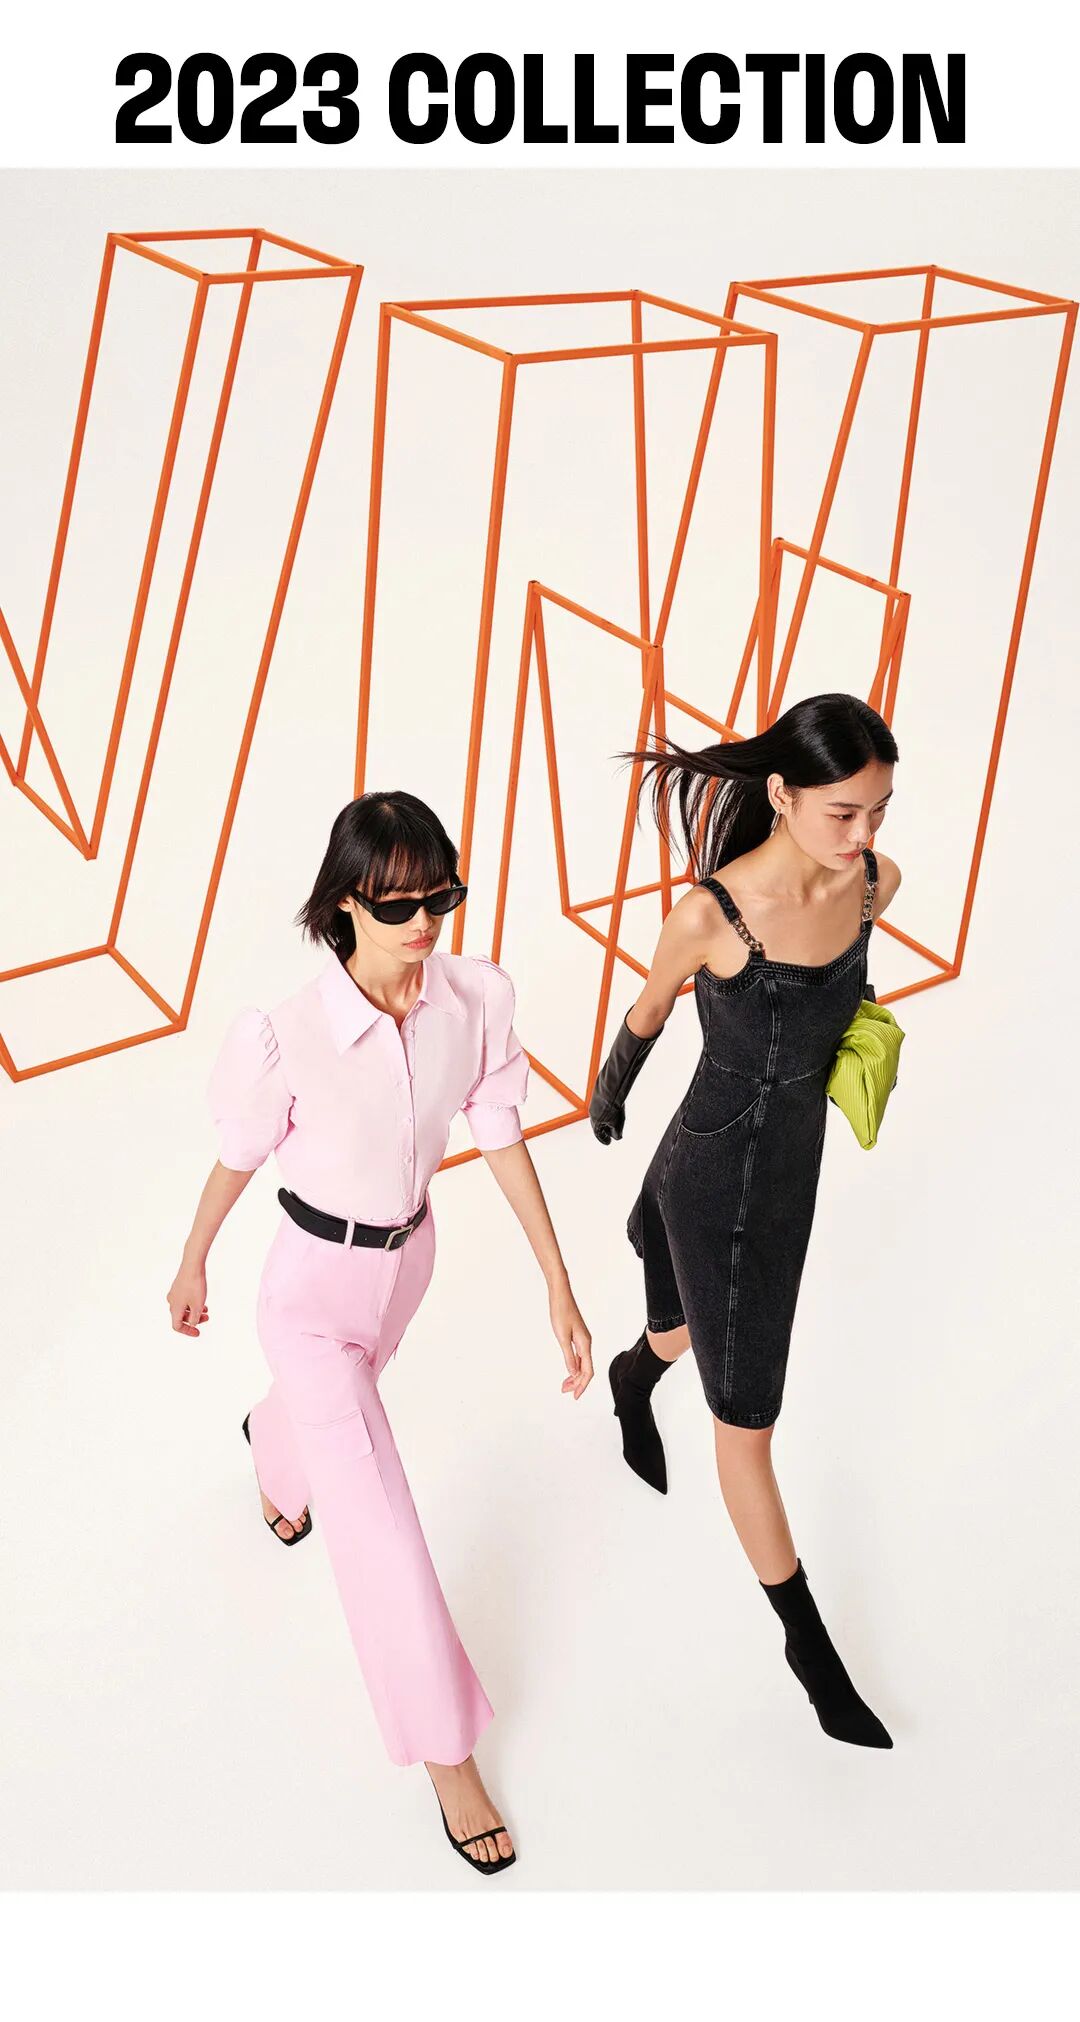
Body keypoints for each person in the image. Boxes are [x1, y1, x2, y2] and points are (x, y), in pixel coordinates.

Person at [167, 790, 593, 1875]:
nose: (423, 924)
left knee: (327, 1428)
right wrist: (193, 1257)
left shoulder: (473, 1000)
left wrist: (557, 1282)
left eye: (440, 898)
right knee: (383, 1534)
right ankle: (448, 1755)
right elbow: (237, 1156)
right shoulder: (286, 1035)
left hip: (406, 1267)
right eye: (397, 905)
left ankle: (274, 1445)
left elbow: (501, 1137)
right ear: (345, 904)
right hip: (309, 1296)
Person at [589, 692, 901, 1749]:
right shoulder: (712, 916)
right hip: (710, 1175)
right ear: (781, 793)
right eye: (844, 812)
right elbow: (648, 1009)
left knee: (687, 1333)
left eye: (878, 811)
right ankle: (815, 1660)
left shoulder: (874, 887)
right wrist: (609, 1091)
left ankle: (634, 1375)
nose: (863, 835)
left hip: (787, 1179)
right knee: (748, 1428)